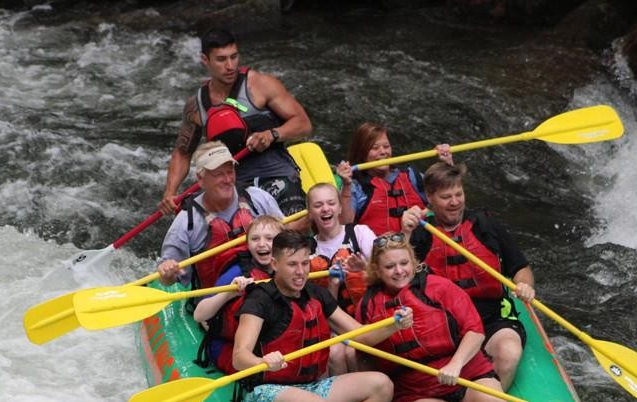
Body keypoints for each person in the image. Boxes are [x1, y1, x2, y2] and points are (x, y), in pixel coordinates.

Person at [232, 230, 414, 402]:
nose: (300, 272)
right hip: (265, 392)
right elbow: (239, 357)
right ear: (275, 263)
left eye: (304, 263)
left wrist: (394, 325)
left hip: (311, 387)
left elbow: (361, 335)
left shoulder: (317, 294)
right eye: (292, 265)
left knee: (382, 385)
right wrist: (262, 361)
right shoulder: (259, 300)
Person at [357, 233, 515, 402]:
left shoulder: (440, 287)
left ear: (413, 261)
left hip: (468, 376)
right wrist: (391, 327)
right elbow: (363, 344)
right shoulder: (368, 305)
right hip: (419, 391)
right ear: (377, 270)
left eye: (404, 263)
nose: (399, 271)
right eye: (389, 266)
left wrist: (455, 365)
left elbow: (475, 331)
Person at [401, 162, 535, 391]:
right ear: (430, 198)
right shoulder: (420, 231)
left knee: (509, 352)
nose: (455, 202)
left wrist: (524, 286)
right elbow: (396, 276)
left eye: (458, 194)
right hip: (442, 325)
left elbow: (521, 268)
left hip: (491, 319)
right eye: (446, 197)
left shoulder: (485, 224)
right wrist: (405, 233)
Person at [158, 28, 312, 219]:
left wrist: (272, 134)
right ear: (205, 60)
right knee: (195, 216)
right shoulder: (196, 107)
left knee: (293, 230)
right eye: (221, 60)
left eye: (234, 57)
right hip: (233, 185)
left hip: (277, 175)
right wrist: (170, 192)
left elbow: (303, 124)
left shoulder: (260, 85)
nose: (230, 66)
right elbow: (182, 152)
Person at [156, 141, 283, 288]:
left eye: (230, 172)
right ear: (200, 179)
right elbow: (167, 280)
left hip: (269, 286)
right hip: (217, 300)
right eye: (219, 175)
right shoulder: (186, 223)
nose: (228, 180)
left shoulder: (258, 199)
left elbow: (287, 239)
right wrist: (168, 272)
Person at [193, 215, 283, 374]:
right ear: (248, 245)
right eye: (255, 239)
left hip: (265, 341)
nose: (262, 244)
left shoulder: (287, 269)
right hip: (227, 345)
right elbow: (199, 315)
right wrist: (229, 293)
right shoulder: (238, 272)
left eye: (269, 238)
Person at [307, 182, 375, 374]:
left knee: (352, 353)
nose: (325, 208)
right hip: (332, 323)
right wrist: (332, 285)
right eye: (318, 205)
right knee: (335, 353)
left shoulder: (359, 233)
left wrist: (364, 269)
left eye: (330, 203)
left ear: (339, 207)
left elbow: (386, 271)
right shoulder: (308, 249)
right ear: (310, 212)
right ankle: (343, 397)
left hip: (365, 317)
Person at [335, 122, 452, 235]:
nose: (383, 152)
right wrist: (346, 185)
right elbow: (344, 226)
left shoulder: (411, 176)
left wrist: (447, 164)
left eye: (386, 146)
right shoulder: (355, 186)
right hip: (379, 251)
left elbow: (449, 198)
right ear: (362, 153)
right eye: (375, 148)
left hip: (420, 249)